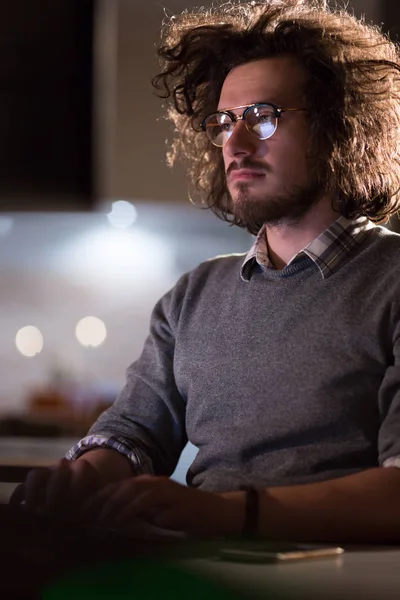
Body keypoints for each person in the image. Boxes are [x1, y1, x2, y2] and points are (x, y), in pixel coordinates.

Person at [11, 0, 400, 542]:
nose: (235, 145)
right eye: (223, 123)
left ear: (341, 127)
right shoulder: (193, 295)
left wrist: (229, 514)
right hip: (209, 568)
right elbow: (134, 431)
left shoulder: (392, 281)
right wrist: (85, 479)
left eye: (263, 118)